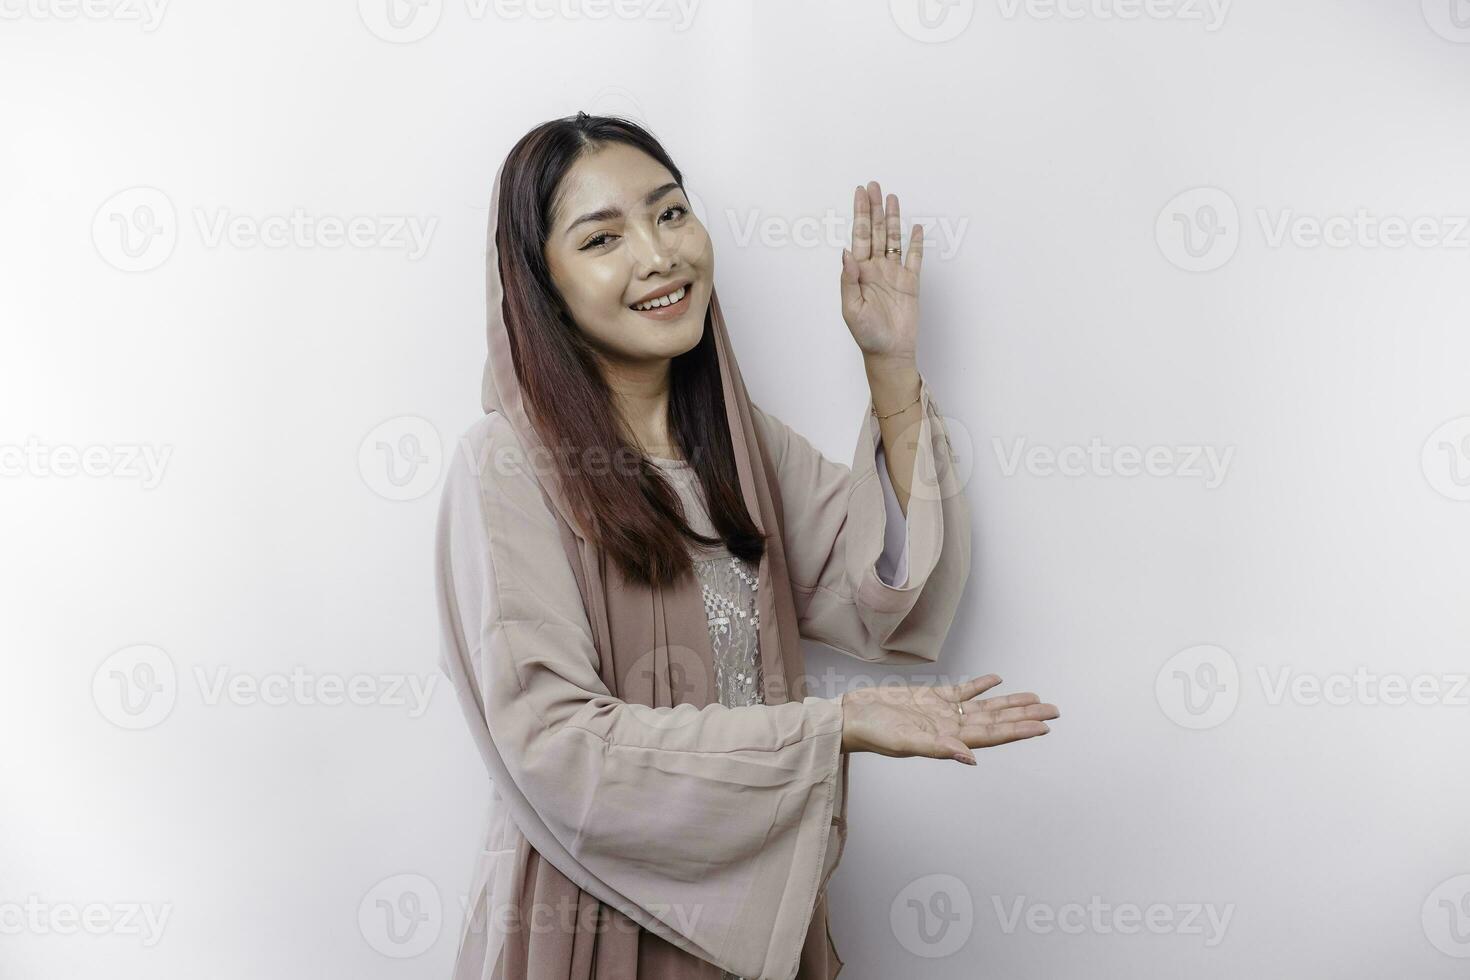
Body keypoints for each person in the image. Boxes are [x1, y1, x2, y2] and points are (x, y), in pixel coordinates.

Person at [433, 112, 1059, 980]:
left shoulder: (737, 445)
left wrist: (892, 370)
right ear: (543, 283)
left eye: (671, 213)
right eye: (602, 237)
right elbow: (556, 749)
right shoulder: (507, 466)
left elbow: (888, 594)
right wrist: (833, 728)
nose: (658, 256)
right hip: (596, 927)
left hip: (760, 929)